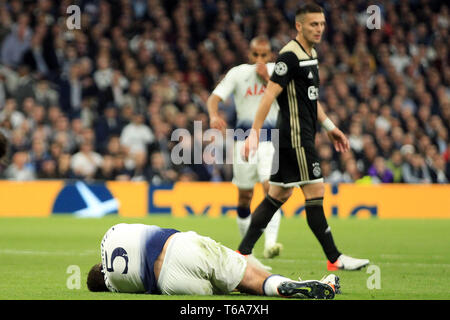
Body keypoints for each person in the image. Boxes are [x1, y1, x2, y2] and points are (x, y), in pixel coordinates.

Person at [238, 3, 369, 271]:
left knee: (278, 194)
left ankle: (241, 255)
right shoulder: (289, 57)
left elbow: (311, 99)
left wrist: (330, 126)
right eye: (313, 24)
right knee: (315, 191)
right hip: (295, 139)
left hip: (302, 136)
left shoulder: (311, 52)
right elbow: (268, 96)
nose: (319, 29)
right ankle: (335, 258)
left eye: (321, 24)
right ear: (299, 26)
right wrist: (253, 133)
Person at [87, 223, 340, 299]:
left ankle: (261, 287)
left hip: (172, 285)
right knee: (249, 276)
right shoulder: (109, 236)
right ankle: (281, 286)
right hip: (181, 246)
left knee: (234, 287)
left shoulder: (115, 285)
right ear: (100, 264)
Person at [207, 35, 283, 264]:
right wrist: (213, 115)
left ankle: (270, 243)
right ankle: (247, 254)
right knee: (244, 197)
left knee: (272, 189)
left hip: (270, 139)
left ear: (270, 54)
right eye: (255, 54)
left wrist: (268, 78)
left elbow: (291, 98)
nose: (259, 58)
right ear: (249, 54)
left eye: (264, 54)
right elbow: (214, 97)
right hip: (243, 139)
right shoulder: (238, 73)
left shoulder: (278, 71)